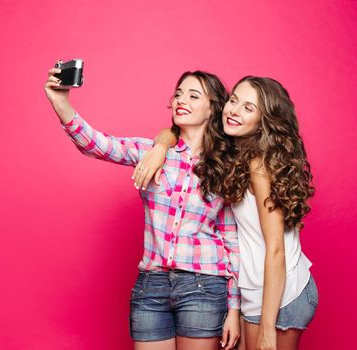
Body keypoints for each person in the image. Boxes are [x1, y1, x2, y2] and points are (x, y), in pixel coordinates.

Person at [44, 66, 241, 350]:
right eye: (178, 94)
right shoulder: (152, 152)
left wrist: (234, 309)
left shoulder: (225, 166)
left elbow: (230, 240)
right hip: (152, 285)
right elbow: (97, 145)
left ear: (213, 110)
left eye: (193, 95)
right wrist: (60, 101)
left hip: (204, 286)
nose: (181, 100)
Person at [139, 76, 318, 350]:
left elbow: (276, 249)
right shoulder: (234, 151)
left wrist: (267, 329)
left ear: (264, 120)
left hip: (279, 294)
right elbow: (180, 133)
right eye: (234, 101)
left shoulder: (259, 162)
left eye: (248, 108)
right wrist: (162, 144)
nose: (234, 110)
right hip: (255, 289)